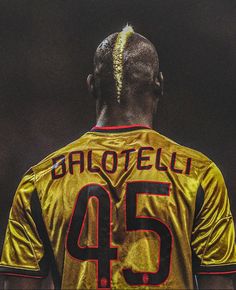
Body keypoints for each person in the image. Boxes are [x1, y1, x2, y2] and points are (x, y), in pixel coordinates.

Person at [0, 25, 236, 290]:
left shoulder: (40, 180)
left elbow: (18, 284)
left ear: (91, 85)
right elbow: (219, 284)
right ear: (158, 83)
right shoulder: (200, 175)